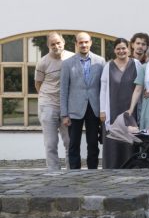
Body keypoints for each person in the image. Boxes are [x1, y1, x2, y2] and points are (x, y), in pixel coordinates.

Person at [60, 32, 105, 170]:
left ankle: (92, 170)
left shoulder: (100, 61)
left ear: (90, 42)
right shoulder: (67, 64)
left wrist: (103, 109)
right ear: (76, 44)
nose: (84, 45)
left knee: (92, 143)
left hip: (93, 107)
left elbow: (104, 88)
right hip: (74, 109)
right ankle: (75, 171)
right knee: (73, 143)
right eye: (80, 42)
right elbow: (64, 90)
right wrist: (64, 114)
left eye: (86, 42)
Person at [98, 38, 139, 169]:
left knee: (130, 139)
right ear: (114, 50)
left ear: (129, 49)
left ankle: (131, 167)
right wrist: (102, 110)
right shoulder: (108, 66)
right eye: (118, 48)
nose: (121, 51)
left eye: (123, 48)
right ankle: (112, 166)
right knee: (113, 140)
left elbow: (140, 87)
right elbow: (103, 90)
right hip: (113, 109)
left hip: (131, 110)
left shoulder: (136, 64)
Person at [35, 32, 73, 170]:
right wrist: (47, 98)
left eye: (58, 43)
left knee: (70, 142)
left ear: (63, 42)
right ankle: (53, 173)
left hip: (67, 106)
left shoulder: (72, 57)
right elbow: (38, 84)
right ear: (48, 46)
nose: (56, 46)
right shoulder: (43, 62)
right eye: (52, 44)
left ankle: (71, 171)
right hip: (48, 104)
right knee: (51, 143)